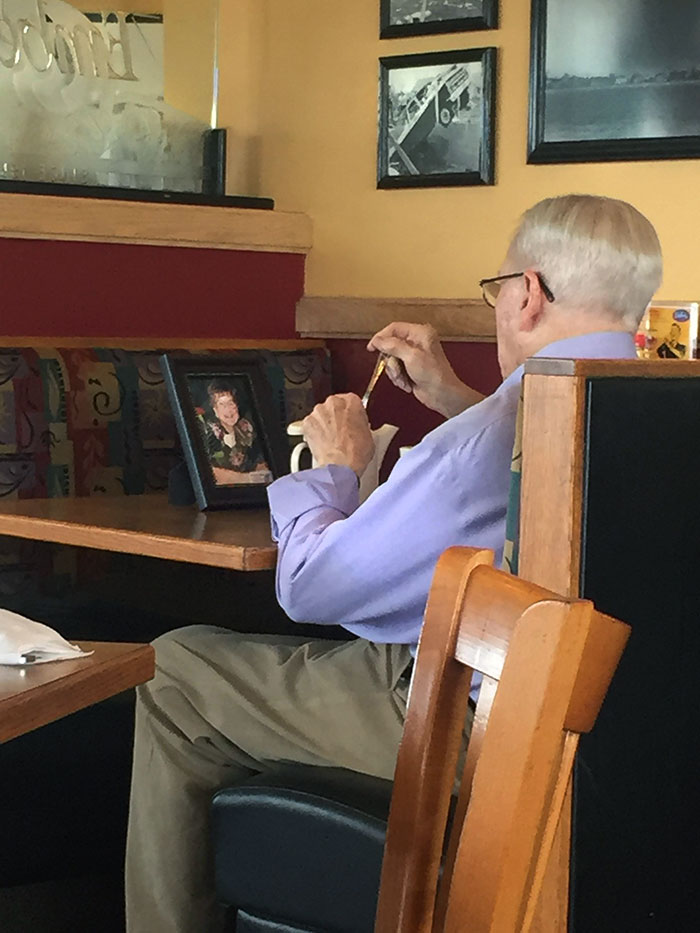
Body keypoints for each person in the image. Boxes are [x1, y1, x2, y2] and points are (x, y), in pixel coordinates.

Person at [125, 194, 663, 932]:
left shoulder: (480, 442)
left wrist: (337, 468)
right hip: (607, 741)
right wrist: (454, 398)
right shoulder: (650, 404)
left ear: (528, 296)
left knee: (172, 670)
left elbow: (309, 586)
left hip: (466, 723)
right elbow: (535, 473)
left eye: (497, 288)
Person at [197, 379, 271, 485]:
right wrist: (247, 478)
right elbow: (208, 473)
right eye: (222, 404)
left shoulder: (246, 429)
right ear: (215, 410)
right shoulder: (209, 433)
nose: (228, 410)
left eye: (231, 403)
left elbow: (260, 461)